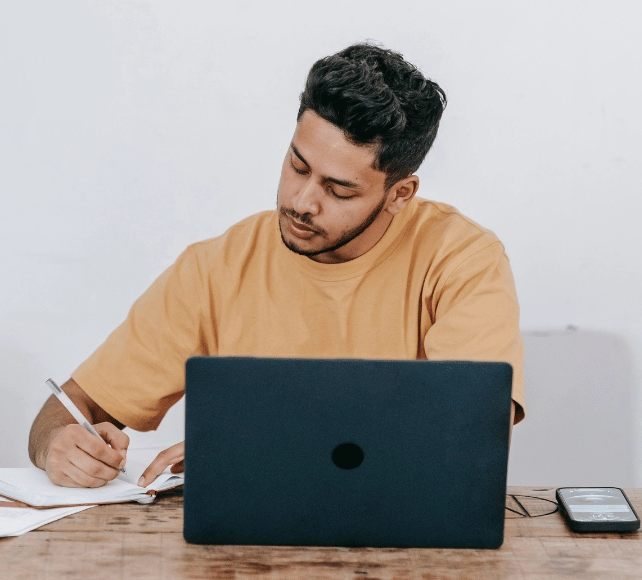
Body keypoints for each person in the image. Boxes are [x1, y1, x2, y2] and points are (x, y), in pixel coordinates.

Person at [28, 43, 525, 489]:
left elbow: (473, 432)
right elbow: (69, 408)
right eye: (298, 165)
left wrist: (255, 456)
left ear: (400, 194)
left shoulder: (462, 259)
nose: (302, 201)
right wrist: (58, 445)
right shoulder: (217, 267)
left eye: (338, 189)